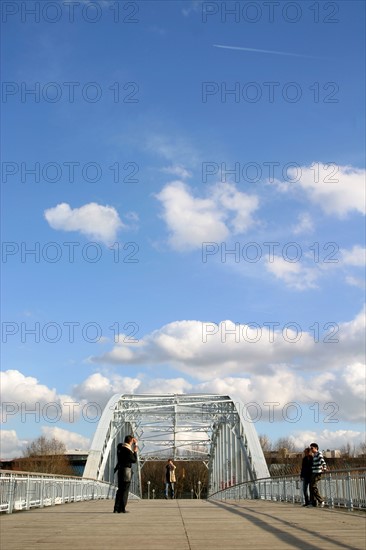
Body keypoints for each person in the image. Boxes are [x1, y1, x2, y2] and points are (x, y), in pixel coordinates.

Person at [113, 435, 138, 513]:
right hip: (126, 472)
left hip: (120, 471)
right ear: (131, 441)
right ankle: (122, 508)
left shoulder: (120, 448)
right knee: (125, 491)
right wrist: (135, 451)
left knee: (120, 490)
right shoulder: (127, 450)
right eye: (132, 441)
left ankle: (116, 508)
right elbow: (134, 460)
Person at [309, 442, 327, 507]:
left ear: (316, 448)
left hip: (317, 472)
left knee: (313, 486)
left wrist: (324, 467)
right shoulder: (314, 455)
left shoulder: (319, 454)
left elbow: (322, 460)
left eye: (312, 448)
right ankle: (313, 502)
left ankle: (321, 501)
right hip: (314, 472)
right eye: (310, 448)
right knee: (311, 487)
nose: (311, 449)